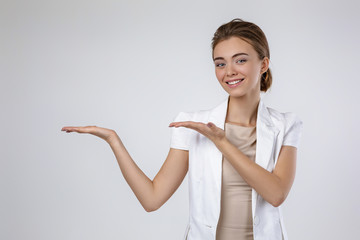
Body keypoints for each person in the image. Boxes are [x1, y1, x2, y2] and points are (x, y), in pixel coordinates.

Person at [61, 18, 303, 240]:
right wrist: (113, 140)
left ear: (263, 64)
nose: (229, 71)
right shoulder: (192, 125)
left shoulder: (285, 125)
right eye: (220, 63)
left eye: (240, 60)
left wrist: (222, 142)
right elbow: (151, 199)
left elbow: (276, 194)